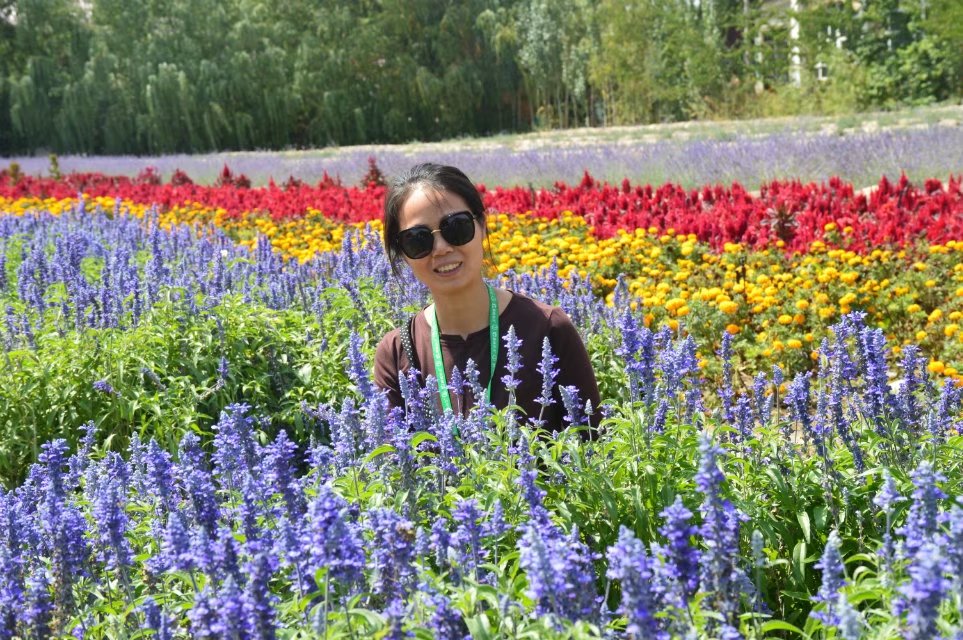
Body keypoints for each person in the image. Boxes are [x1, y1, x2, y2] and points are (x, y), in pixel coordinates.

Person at [373, 162, 601, 436]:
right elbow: (393, 458)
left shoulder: (547, 327)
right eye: (418, 239)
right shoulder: (396, 352)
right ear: (403, 254)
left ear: (481, 225)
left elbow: (592, 445)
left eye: (456, 227)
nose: (441, 248)